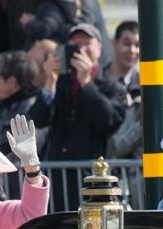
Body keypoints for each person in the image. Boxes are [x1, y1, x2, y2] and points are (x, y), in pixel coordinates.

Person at [29, 23, 127, 209]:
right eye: (75, 44)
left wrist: (86, 82)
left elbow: (108, 121)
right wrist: (49, 81)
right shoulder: (60, 83)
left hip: (95, 183)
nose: (81, 49)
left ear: (100, 48)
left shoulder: (113, 88)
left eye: (87, 43)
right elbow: (38, 120)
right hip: (59, 182)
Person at [105, 20, 139, 97]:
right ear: (114, 43)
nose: (132, 50)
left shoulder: (143, 85)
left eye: (137, 45)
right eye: (127, 43)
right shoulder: (97, 79)